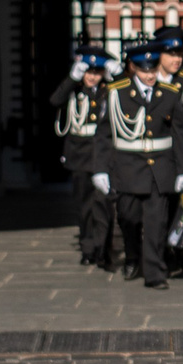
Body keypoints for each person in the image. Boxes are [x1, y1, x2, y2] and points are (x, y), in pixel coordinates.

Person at [103, 37, 183, 290]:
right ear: (133, 68)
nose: (150, 75)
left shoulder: (170, 94)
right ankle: (133, 255)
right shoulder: (117, 93)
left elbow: (180, 134)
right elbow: (104, 134)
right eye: (145, 70)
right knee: (129, 218)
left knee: (156, 222)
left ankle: (155, 273)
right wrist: (101, 170)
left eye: (153, 70)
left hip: (160, 170)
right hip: (128, 169)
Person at [52, 48, 115, 271]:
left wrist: (116, 76)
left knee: (104, 205)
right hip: (80, 155)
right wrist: (72, 78)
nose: (92, 76)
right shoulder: (74, 89)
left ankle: (103, 248)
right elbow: (55, 100)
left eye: (97, 72)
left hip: (104, 156)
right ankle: (88, 247)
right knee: (84, 206)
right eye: (88, 72)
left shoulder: (110, 90)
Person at [152, 25, 183, 278]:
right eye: (171, 55)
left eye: (179, 54)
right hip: (156, 156)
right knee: (156, 211)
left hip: (181, 155)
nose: (176, 60)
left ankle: (178, 252)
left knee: (181, 206)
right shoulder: (148, 77)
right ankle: (158, 254)